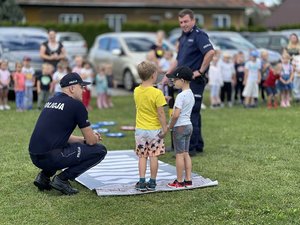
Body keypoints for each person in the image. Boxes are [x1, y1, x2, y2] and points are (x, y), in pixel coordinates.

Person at [29, 72, 107, 195]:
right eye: (81, 87)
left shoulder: (52, 100)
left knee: (59, 146)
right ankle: (62, 179)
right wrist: (94, 137)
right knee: (100, 150)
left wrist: (83, 139)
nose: (83, 90)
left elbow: (59, 136)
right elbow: (91, 141)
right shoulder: (77, 105)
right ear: (72, 88)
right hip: (51, 157)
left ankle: (43, 177)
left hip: (34, 156)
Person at [164, 9, 215, 156]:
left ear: (193, 20)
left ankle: (190, 148)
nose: (183, 24)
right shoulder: (183, 37)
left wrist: (200, 71)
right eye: (181, 22)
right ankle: (198, 145)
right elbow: (179, 60)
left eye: (186, 21)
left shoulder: (199, 35)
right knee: (193, 113)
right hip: (182, 82)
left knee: (190, 113)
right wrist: (169, 74)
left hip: (195, 81)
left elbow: (210, 52)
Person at [134, 61, 168, 192]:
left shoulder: (136, 91)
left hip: (140, 129)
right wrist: (165, 128)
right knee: (154, 156)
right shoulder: (157, 93)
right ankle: (152, 182)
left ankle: (142, 181)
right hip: (154, 130)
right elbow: (160, 113)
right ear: (153, 75)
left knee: (142, 156)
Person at [166, 67, 195, 189]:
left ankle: (179, 181)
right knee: (186, 153)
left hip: (180, 127)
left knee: (179, 154)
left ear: (182, 80)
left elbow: (176, 114)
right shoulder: (191, 94)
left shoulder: (180, 96)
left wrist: (170, 126)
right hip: (189, 125)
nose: (173, 82)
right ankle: (188, 179)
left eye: (175, 79)